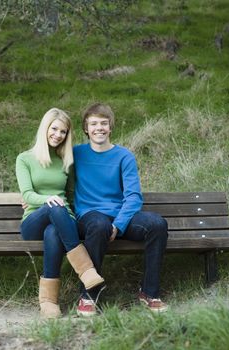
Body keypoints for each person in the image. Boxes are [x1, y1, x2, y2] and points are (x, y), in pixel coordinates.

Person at [72, 102, 169, 316]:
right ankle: (88, 294)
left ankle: (149, 292)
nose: (99, 128)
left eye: (104, 123)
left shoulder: (124, 156)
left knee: (157, 224)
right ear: (86, 128)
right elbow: (48, 169)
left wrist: (118, 224)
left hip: (118, 218)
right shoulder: (75, 154)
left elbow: (133, 196)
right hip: (89, 217)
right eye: (94, 123)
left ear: (111, 127)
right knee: (99, 224)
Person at [16, 107, 105, 318]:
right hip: (33, 221)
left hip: (62, 219)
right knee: (55, 208)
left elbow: (71, 194)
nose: (58, 135)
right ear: (45, 128)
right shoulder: (25, 159)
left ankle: (49, 301)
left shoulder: (66, 161)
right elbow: (27, 194)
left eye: (63, 132)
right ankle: (86, 271)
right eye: (54, 129)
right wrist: (45, 200)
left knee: (54, 232)